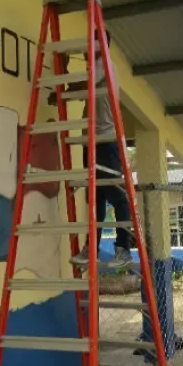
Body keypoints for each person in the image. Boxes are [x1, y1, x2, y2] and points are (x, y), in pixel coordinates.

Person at [48, 29, 132, 269]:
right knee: (96, 200)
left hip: (106, 141)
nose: (86, 50)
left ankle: (123, 248)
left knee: (116, 195)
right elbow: (83, 87)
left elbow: (83, 86)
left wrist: (61, 86)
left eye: (91, 44)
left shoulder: (105, 65)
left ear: (102, 46)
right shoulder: (94, 69)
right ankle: (91, 249)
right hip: (91, 142)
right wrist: (61, 88)